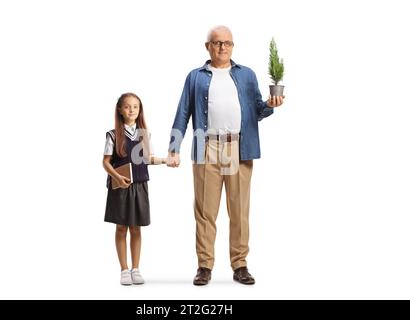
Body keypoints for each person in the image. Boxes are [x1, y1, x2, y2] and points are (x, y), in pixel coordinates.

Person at [167, 26, 285, 285]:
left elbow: (257, 110)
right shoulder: (195, 77)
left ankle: (240, 264)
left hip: (239, 147)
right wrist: (173, 147)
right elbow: (182, 111)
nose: (222, 47)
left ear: (233, 46)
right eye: (217, 43)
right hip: (205, 146)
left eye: (227, 43)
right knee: (205, 211)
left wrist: (269, 106)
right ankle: (205, 266)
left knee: (239, 210)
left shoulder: (247, 75)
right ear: (207, 46)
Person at [103, 92, 166, 285]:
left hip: (139, 186)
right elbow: (105, 163)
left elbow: (147, 159)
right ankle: (124, 269)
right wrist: (117, 177)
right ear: (120, 110)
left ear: (140, 110)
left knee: (136, 228)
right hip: (120, 187)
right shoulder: (113, 135)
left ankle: (136, 268)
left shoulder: (144, 134)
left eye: (135, 107)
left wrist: (165, 160)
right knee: (121, 228)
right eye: (128, 106)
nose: (132, 110)